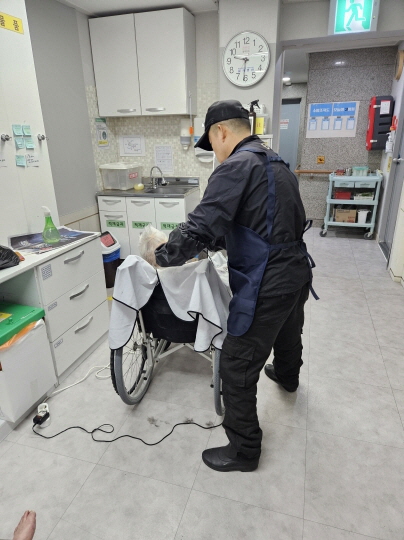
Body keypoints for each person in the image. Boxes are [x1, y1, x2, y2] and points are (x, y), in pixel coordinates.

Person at [155, 100, 315, 472]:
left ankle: (244, 451)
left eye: (213, 144)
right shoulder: (276, 161)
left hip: (267, 280)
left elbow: (200, 226)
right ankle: (288, 377)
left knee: (236, 363)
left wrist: (163, 256)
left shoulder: (235, 167)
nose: (215, 154)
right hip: (296, 272)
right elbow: (261, 222)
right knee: (288, 331)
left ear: (221, 131)